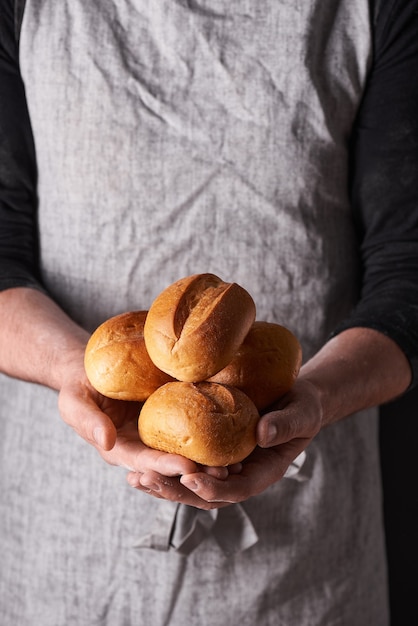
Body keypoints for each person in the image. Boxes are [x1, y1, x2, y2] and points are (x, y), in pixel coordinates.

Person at [0, 1, 417, 624]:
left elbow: (407, 276)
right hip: (70, 532)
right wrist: (74, 371)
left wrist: (319, 398)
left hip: (308, 538)